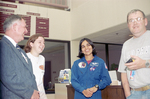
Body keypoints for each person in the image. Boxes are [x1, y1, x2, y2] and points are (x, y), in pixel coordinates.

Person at [0, 15, 39, 99]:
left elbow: (30, 75)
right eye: (24, 27)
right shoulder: (2, 46)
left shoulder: (20, 51)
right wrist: (30, 93)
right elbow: (8, 77)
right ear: (15, 27)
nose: (26, 31)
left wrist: (35, 92)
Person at [118, 9, 150, 99]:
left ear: (145, 21)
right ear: (128, 25)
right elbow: (123, 72)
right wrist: (128, 94)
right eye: (131, 20)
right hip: (134, 94)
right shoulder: (126, 45)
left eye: (138, 19)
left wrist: (144, 63)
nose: (135, 23)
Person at [24, 34, 47, 99]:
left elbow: (41, 77)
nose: (42, 45)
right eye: (39, 42)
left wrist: (43, 95)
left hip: (41, 92)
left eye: (43, 43)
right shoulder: (25, 57)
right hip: (29, 92)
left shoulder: (42, 58)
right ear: (31, 44)